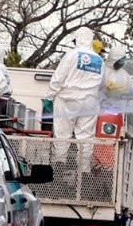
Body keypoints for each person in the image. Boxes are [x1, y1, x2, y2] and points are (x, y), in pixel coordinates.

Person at [42, 26, 105, 169]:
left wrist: (49, 97)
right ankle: (84, 171)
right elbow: (103, 84)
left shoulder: (72, 55)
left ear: (77, 38)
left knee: (63, 133)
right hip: (90, 102)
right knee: (86, 137)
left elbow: (58, 77)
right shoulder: (99, 60)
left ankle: (59, 166)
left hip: (68, 99)